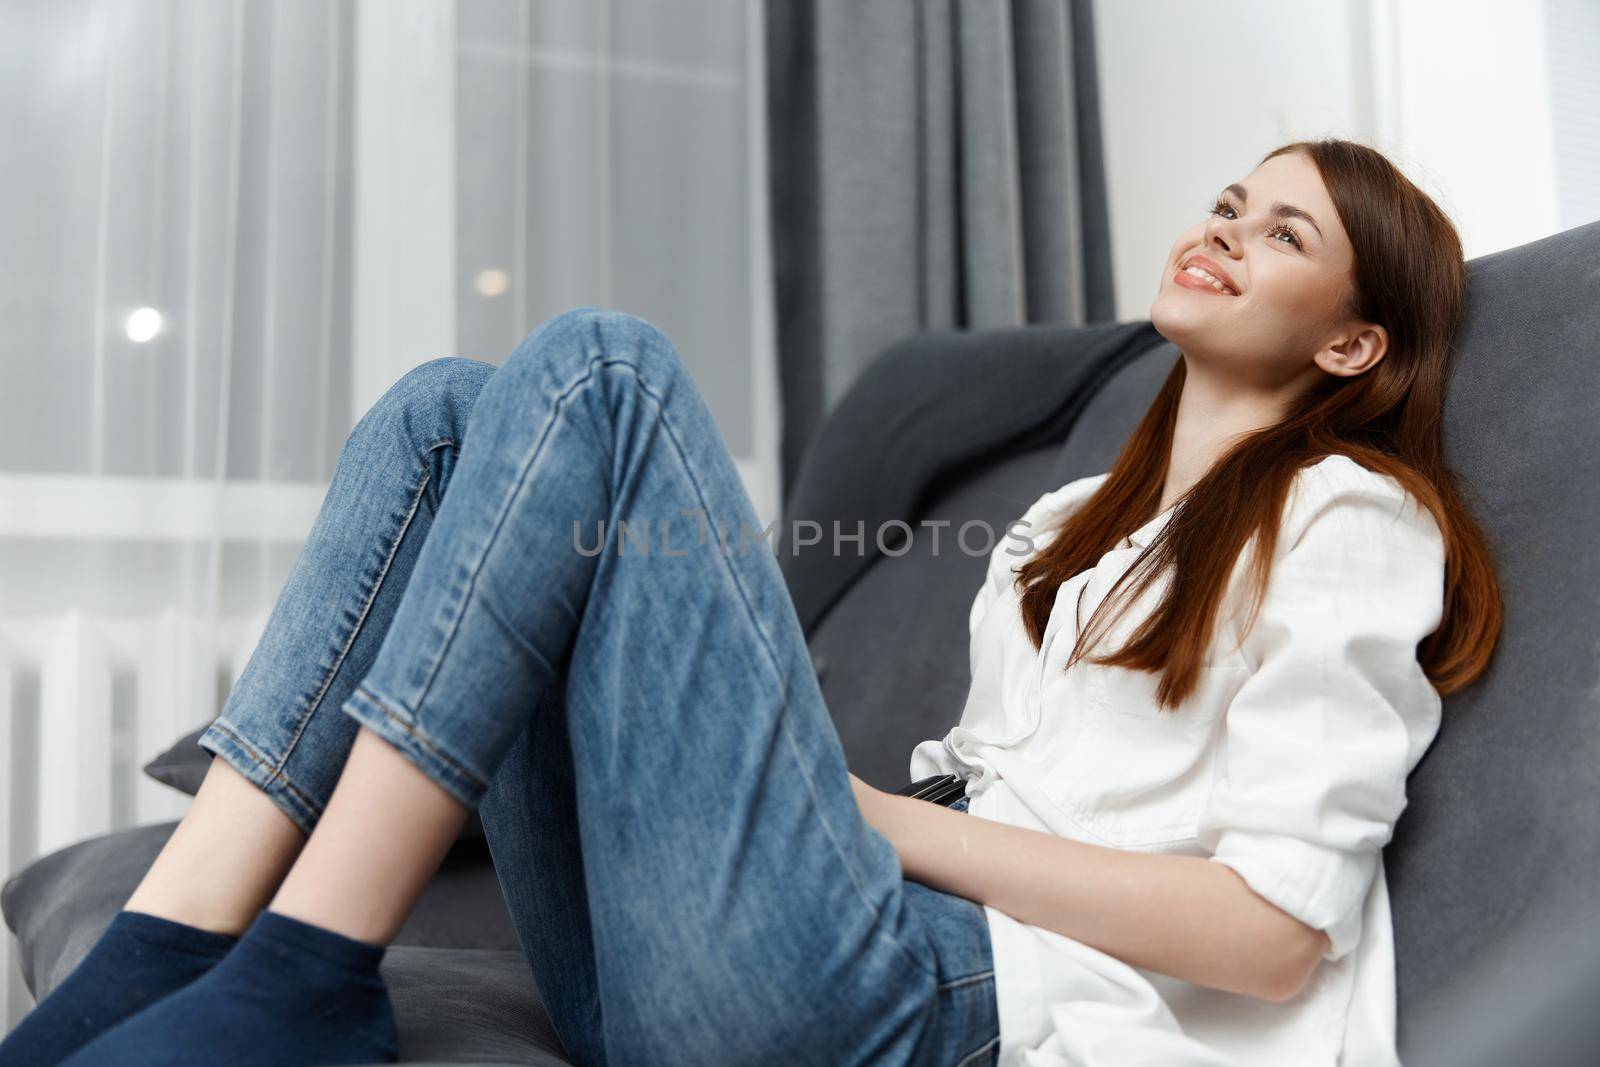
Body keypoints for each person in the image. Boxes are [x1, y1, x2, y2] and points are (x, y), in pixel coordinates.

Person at [0, 137, 1501, 1067]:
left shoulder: (1352, 520)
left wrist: (885, 823)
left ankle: (307, 967)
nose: (1224, 226)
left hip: (928, 1002)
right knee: (449, 414)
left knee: (602, 369)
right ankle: (177, 936)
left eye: (1283, 233)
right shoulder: (1068, 529)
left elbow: (1267, 940)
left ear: (1359, 346)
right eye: (1232, 199)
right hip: (690, 990)